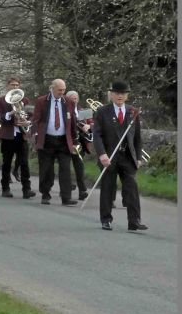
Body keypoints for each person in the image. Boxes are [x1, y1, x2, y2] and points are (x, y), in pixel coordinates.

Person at [92, 81, 145, 231]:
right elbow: (97, 135)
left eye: (123, 93)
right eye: (117, 93)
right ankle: (106, 219)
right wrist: (102, 154)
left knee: (132, 188)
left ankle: (134, 221)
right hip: (109, 157)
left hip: (127, 157)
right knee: (108, 188)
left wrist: (138, 157)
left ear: (127, 95)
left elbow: (137, 137)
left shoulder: (133, 112)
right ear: (111, 95)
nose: (120, 96)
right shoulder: (102, 111)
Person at [32, 79, 80, 206]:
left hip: (64, 141)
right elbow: (36, 120)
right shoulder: (42, 101)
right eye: (59, 90)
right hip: (47, 140)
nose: (62, 92)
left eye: (63, 90)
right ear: (52, 88)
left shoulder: (68, 102)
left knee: (65, 169)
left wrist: (75, 140)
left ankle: (66, 197)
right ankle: (45, 194)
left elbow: (72, 122)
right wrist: (35, 136)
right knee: (46, 169)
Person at [0, 76, 36, 199]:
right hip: (8, 135)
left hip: (21, 135)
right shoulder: (1, 100)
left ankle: (26, 189)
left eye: (17, 85)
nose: (15, 87)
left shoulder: (25, 100)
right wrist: (10, 113)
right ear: (8, 86)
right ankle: (5, 188)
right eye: (12, 85)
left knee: (24, 163)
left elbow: (32, 115)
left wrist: (27, 121)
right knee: (7, 162)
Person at [66, 90, 91, 200]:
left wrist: (88, 126)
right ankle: (67, 186)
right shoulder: (64, 110)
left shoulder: (83, 111)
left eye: (75, 98)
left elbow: (92, 123)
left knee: (79, 166)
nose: (74, 100)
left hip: (80, 142)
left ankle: (82, 190)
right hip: (66, 142)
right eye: (72, 98)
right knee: (65, 165)